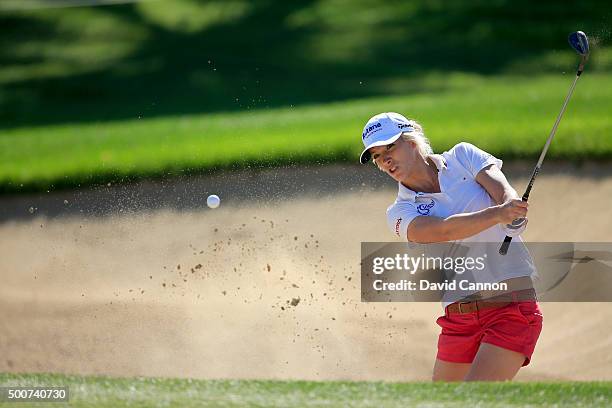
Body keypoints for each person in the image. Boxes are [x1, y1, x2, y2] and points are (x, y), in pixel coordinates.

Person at [359, 112, 543, 381]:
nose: (385, 160)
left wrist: (511, 210)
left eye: (389, 147)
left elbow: (503, 190)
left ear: (411, 142)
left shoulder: (463, 157)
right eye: (376, 156)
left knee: (473, 400)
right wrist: (497, 215)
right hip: (459, 319)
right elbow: (442, 230)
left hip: (510, 308)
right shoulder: (399, 211)